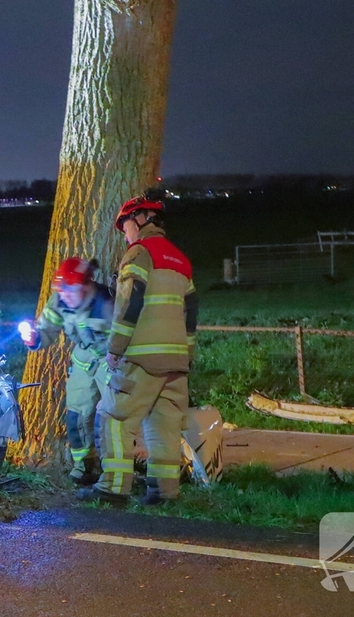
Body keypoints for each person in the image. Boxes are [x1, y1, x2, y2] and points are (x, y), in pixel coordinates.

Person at [79, 191, 198, 505]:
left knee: (114, 417)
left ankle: (114, 488)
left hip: (142, 357)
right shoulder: (181, 259)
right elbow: (191, 314)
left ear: (141, 219)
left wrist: (115, 349)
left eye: (126, 225)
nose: (125, 233)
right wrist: (187, 356)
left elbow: (130, 303)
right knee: (165, 427)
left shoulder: (139, 253)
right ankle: (164, 493)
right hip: (176, 363)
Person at [20, 257, 114, 485]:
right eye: (60, 290)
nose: (65, 295)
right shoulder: (59, 301)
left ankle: (113, 474)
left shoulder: (107, 303)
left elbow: (125, 339)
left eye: (70, 289)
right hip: (84, 359)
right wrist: (33, 338)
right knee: (76, 416)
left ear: (86, 285)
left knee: (110, 418)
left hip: (112, 360)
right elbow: (45, 332)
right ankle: (85, 467)